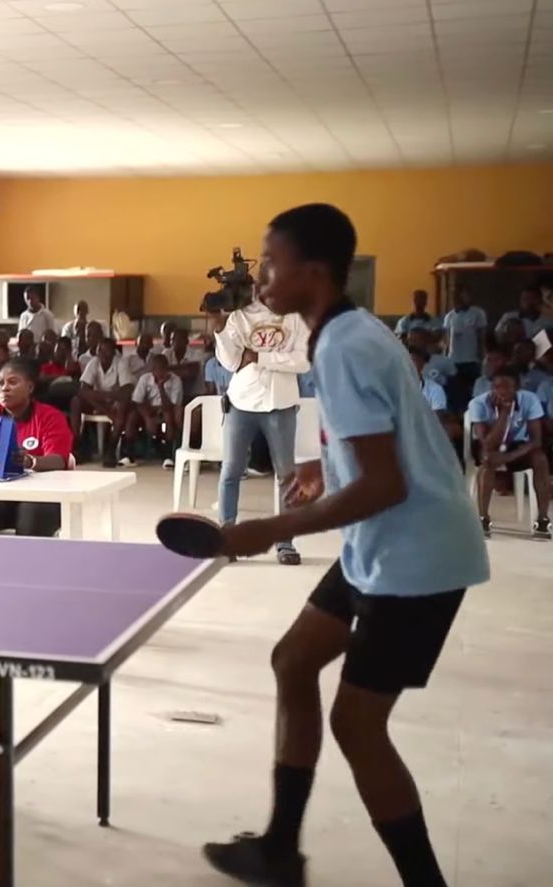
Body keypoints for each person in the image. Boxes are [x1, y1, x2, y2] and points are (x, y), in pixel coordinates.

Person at [201, 203, 489, 887]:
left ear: (313, 270)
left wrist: (269, 528)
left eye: (271, 263)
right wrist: (323, 467)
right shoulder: (350, 331)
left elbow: (384, 484)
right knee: (294, 659)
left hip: (417, 558)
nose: (259, 277)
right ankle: (280, 849)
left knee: (358, 725)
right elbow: (387, 446)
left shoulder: (342, 346)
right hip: (379, 547)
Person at [214, 287, 311, 565]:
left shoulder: (295, 316)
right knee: (231, 471)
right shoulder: (239, 316)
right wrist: (219, 326)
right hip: (241, 402)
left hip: (280, 402)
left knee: (286, 476)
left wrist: (260, 357)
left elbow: (304, 360)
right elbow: (230, 362)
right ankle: (227, 538)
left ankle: (285, 543)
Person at [0, 358, 75, 536]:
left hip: (40, 494)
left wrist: (30, 461)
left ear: (30, 387)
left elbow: (59, 460)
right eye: (0, 383)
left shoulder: (51, 417)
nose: (5, 388)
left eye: (12, 382)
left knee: (30, 527)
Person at [466, 368, 551, 538]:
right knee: (488, 460)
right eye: (497, 387)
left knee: (540, 459)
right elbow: (487, 443)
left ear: (517, 388)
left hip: (517, 447)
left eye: (507, 387)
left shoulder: (529, 400)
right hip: (489, 444)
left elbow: (536, 440)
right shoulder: (478, 403)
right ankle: (483, 517)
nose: (501, 391)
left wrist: (507, 457)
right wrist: (503, 414)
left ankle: (542, 519)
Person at [72, 338, 133, 467]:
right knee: (76, 401)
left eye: (106, 350)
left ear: (114, 352)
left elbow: (126, 391)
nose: (102, 353)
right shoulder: (93, 362)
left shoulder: (121, 362)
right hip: (98, 402)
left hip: (114, 402)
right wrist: (105, 408)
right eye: (100, 350)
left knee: (122, 406)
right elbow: (83, 390)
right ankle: (76, 445)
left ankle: (111, 449)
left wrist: (100, 395)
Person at [122, 352, 183, 468]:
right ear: (152, 369)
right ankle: (128, 455)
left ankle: (168, 456)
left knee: (168, 416)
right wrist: (147, 417)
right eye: (156, 369)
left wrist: (161, 387)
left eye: (162, 369)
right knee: (132, 416)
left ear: (167, 369)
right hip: (148, 409)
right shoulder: (145, 378)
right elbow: (136, 401)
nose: (159, 372)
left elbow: (171, 405)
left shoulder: (176, 380)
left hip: (166, 409)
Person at [408, 346, 462, 452]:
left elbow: (436, 416)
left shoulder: (435, 389)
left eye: (414, 360)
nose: (410, 364)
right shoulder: (394, 388)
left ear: (423, 364)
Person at [440, 287, 488, 399]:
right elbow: (446, 340)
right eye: (456, 296)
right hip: (454, 360)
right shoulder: (449, 316)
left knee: (472, 390)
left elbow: (482, 337)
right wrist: (445, 357)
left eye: (462, 296)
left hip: (472, 360)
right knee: (456, 391)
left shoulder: (477, 313)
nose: (459, 299)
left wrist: (482, 357)